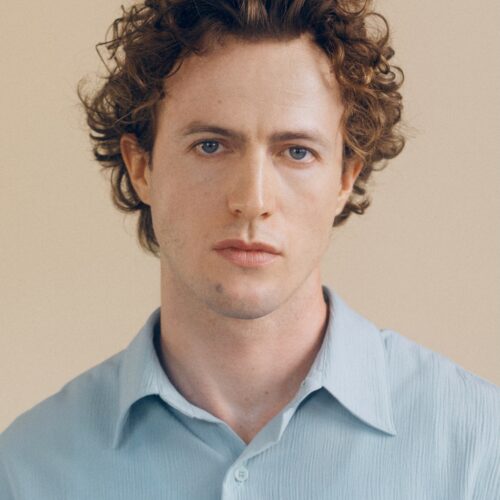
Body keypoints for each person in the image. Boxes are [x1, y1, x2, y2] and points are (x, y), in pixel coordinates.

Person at [1, 0, 498, 498]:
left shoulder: (479, 448)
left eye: (297, 152)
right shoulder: (27, 469)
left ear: (346, 178)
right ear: (141, 167)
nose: (252, 200)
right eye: (210, 146)